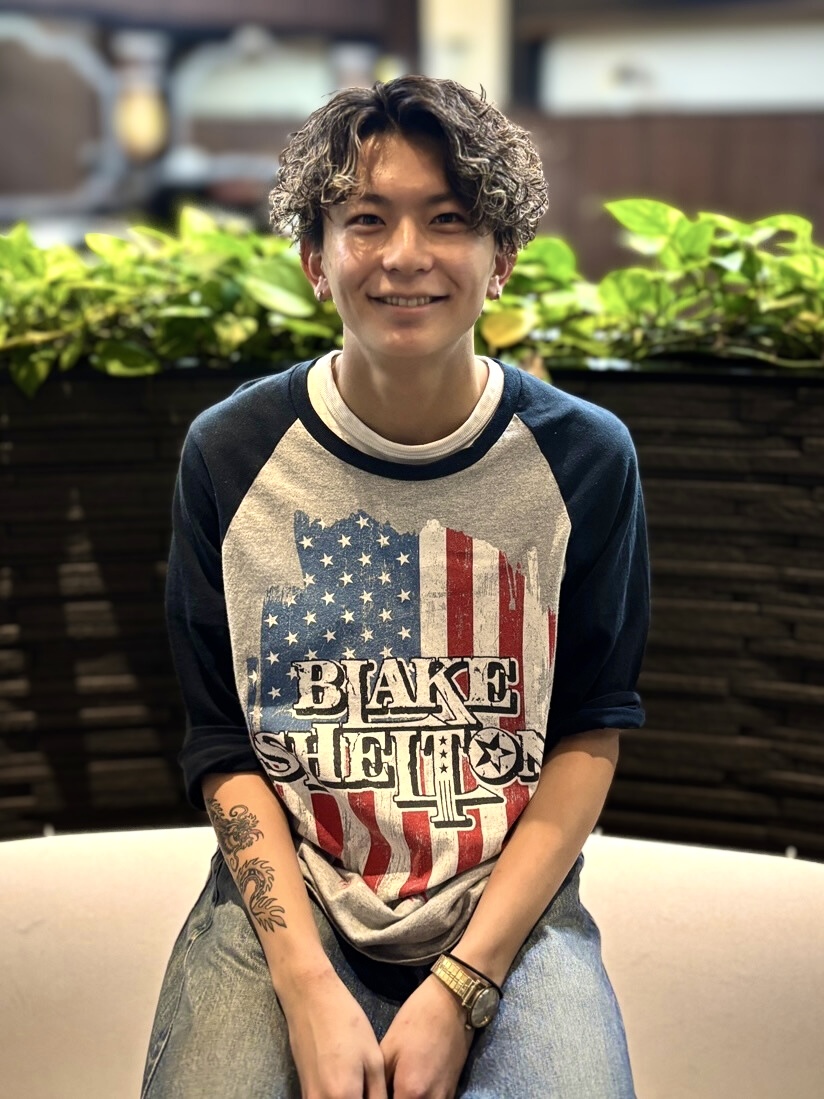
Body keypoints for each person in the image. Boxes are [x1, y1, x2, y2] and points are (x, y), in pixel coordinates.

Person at [141, 75, 649, 1099]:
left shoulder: (587, 459)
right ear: (315, 259)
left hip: (507, 900)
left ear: (500, 260)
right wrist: (306, 986)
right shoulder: (229, 454)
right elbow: (221, 744)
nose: (405, 254)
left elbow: (589, 728)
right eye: (366, 220)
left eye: (447, 220)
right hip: (286, 895)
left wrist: (462, 983)